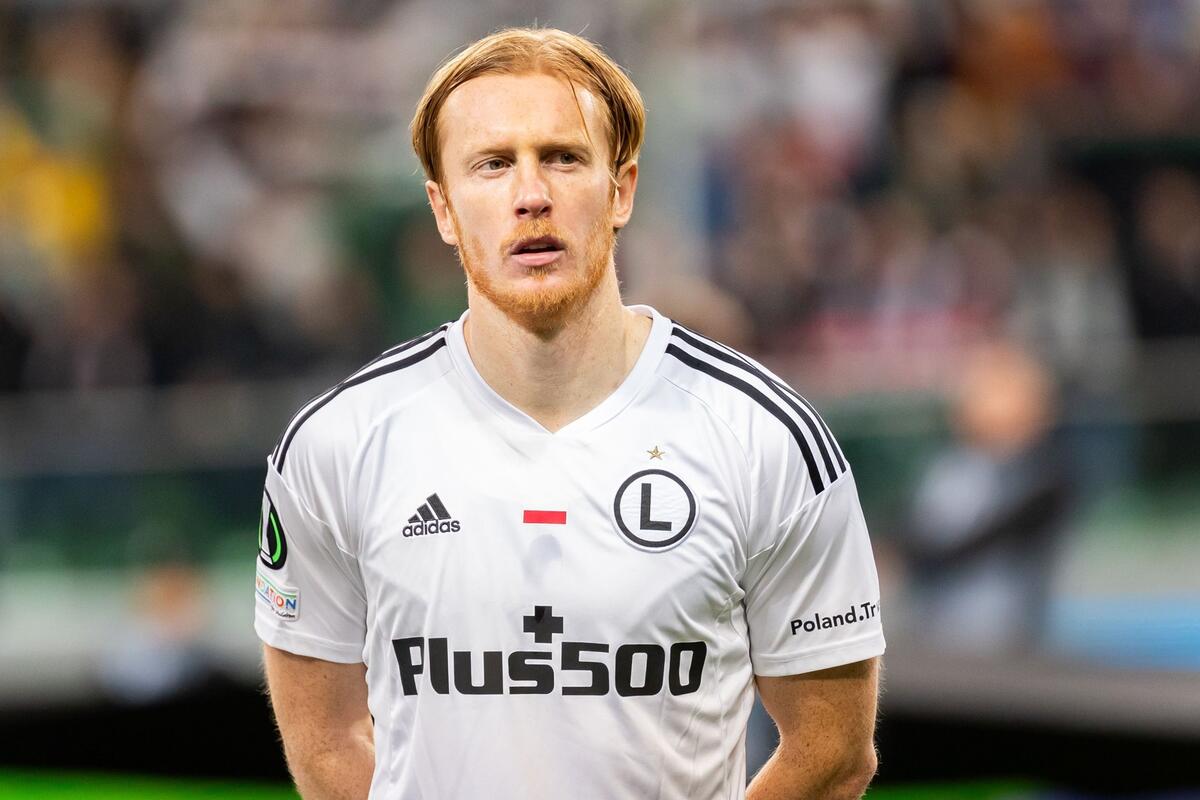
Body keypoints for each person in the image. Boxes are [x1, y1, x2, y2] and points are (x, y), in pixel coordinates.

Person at [255, 27, 884, 800]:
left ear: (621, 191)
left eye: (562, 157)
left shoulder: (766, 439)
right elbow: (325, 741)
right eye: (492, 164)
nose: (531, 195)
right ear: (443, 208)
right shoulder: (335, 446)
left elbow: (833, 753)